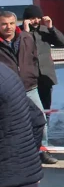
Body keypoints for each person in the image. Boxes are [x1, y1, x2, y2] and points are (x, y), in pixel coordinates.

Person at [0, 11, 51, 164]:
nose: (8, 27)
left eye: (11, 23)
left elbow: (34, 58)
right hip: (8, 90)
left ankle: (43, 151)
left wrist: (32, 75)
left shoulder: (26, 37)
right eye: (3, 24)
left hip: (30, 87)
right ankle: (15, 154)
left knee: (40, 120)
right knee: (10, 123)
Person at [23, 5, 64, 162]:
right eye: (32, 18)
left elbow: (62, 42)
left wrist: (51, 28)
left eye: (37, 18)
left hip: (45, 77)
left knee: (45, 114)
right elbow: (20, 48)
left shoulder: (44, 30)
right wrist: (26, 31)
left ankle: (44, 149)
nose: (35, 20)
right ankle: (29, 148)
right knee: (26, 115)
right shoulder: (20, 33)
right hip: (27, 79)